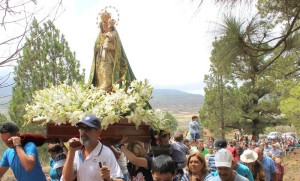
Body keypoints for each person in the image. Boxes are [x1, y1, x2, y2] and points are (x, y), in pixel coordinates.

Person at [62, 116, 123, 181]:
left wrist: (109, 179)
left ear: (99, 132)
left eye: (88, 129)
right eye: (81, 129)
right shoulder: (77, 152)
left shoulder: (106, 153)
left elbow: (120, 179)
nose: (83, 132)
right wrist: (71, 152)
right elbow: (67, 179)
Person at [89, 9, 136, 91]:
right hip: (100, 62)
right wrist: (97, 48)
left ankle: (109, 90)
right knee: (101, 79)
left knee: (108, 81)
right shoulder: (100, 36)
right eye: (103, 22)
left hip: (110, 61)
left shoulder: (113, 34)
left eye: (106, 22)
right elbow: (96, 47)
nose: (104, 24)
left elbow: (114, 46)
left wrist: (108, 46)